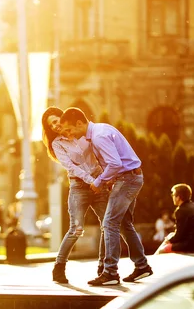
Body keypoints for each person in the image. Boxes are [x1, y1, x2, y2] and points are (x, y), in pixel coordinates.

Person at [60, 107, 153, 286]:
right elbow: (117, 162)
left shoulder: (98, 136)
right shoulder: (100, 129)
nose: (69, 134)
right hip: (129, 177)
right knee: (125, 223)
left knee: (109, 222)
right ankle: (142, 266)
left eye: (70, 129)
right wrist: (110, 179)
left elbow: (115, 163)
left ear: (79, 123)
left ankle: (110, 272)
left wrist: (100, 181)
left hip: (127, 180)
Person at [41, 106, 109, 284]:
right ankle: (59, 267)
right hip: (79, 186)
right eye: (51, 125)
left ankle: (104, 268)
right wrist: (90, 181)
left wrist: (102, 178)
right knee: (76, 229)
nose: (55, 126)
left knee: (108, 226)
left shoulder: (83, 133)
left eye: (56, 121)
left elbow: (99, 154)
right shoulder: (57, 144)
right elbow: (71, 167)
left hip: (99, 182)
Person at [155, 183, 194, 254]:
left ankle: (153, 258)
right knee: (170, 235)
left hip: (191, 246)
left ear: (178, 197)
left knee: (162, 250)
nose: (172, 197)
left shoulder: (181, 210)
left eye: (173, 195)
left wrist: (169, 240)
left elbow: (179, 235)